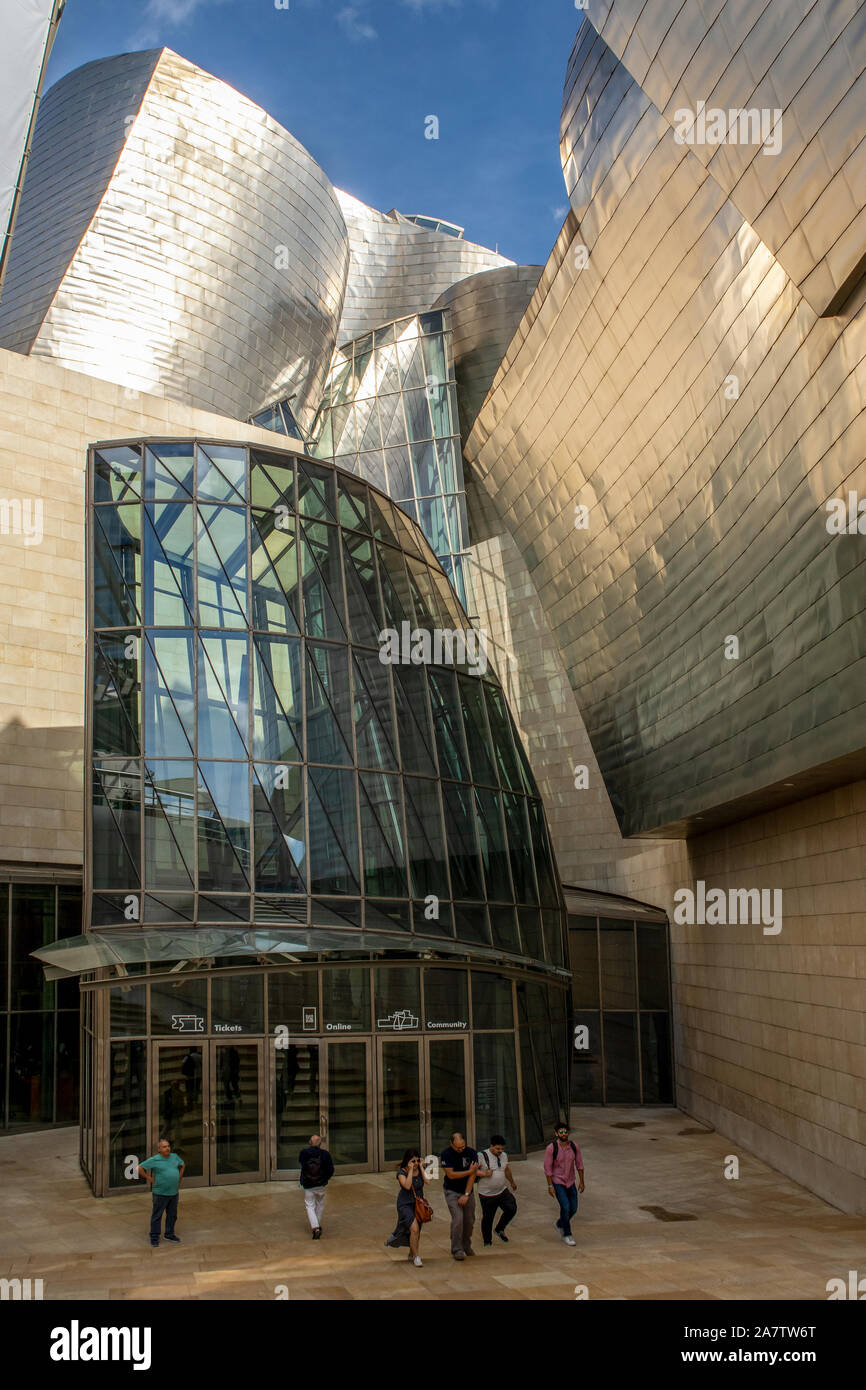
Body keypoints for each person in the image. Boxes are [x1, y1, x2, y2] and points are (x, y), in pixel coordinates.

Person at [385, 1148, 429, 1266]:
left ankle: (411, 1253)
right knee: (414, 1228)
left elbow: (427, 1181)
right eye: (412, 1161)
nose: (415, 1164)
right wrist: (410, 1171)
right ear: (407, 1161)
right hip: (405, 1204)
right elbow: (407, 1186)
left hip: (418, 1205)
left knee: (416, 1231)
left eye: (416, 1161)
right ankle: (416, 1257)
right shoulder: (401, 1173)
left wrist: (421, 1166)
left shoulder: (420, 1169)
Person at [544, 1121, 585, 1246]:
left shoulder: (574, 1146)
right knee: (565, 1207)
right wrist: (550, 1185)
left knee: (573, 1208)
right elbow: (547, 1168)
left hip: (570, 1181)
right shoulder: (551, 1148)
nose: (563, 1134)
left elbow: (579, 1164)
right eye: (561, 1132)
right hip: (558, 1182)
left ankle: (560, 1223)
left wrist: (582, 1181)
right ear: (556, 1134)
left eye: (565, 1131)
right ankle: (567, 1234)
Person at [439, 1131, 478, 1261]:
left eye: (463, 1146)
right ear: (451, 1144)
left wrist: (467, 1194)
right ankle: (457, 1249)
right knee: (458, 1219)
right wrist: (469, 1171)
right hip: (452, 1191)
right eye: (458, 1147)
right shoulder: (446, 1154)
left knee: (469, 1220)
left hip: (467, 1191)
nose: (461, 1149)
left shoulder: (472, 1153)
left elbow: (473, 1176)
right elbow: (451, 1175)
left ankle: (466, 1245)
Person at [139, 1138, 185, 1247]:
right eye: (164, 1147)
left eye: (168, 1146)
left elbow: (183, 1165)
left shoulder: (174, 1157)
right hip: (160, 1194)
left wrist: (179, 1177)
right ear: (159, 1149)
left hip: (173, 1193)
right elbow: (140, 1168)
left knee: (172, 1215)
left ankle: (169, 1234)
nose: (167, 1148)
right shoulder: (155, 1159)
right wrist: (149, 1178)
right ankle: (154, 1237)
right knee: (157, 1216)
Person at [476, 1133, 518, 1246]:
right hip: (487, 1194)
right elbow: (473, 1171)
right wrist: (484, 1173)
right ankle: (487, 1241)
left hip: (502, 1190)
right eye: (497, 1148)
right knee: (488, 1218)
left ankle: (499, 1228)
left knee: (512, 1208)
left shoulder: (504, 1155)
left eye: (502, 1148)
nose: (500, 1151)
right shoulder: (481, 1155)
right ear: (491, 1146)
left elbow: (506, 1169)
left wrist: (512, 1182)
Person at [298, 1133, 334, 1239]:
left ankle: (315, 1227)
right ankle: (317, 1225)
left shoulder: (304, 1153)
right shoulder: (325, 1154)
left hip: (308, 1184)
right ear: (320, 1144)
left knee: (310, 1205)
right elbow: (331, 1170)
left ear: (310, 1143)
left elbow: (301, 1164)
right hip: (321, 1184)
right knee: (320, 1204)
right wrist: (325, 1179)